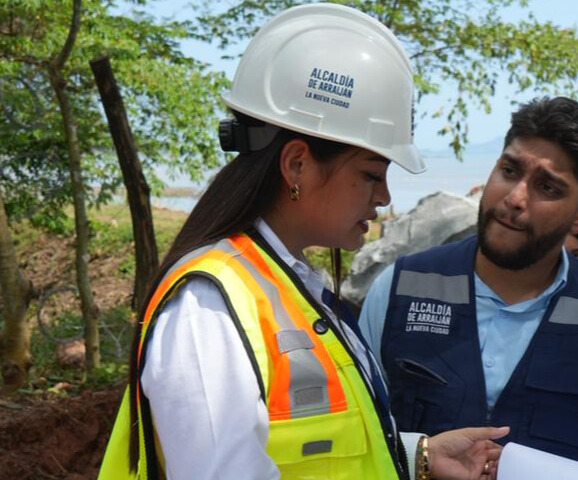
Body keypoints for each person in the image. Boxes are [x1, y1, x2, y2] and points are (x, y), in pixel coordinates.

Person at [98, 4, 507, 479]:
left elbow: (311, 450)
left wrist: (417, 455)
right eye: (371, 174)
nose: (385, 196)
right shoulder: (208, 310)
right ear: (296, 165)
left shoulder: (290, 290)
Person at [359, 97, 578, 479]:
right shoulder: (399, 290)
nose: (515, 198)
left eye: (547, 187)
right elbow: (352, 438)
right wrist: (419, 456)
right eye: (509, 170)